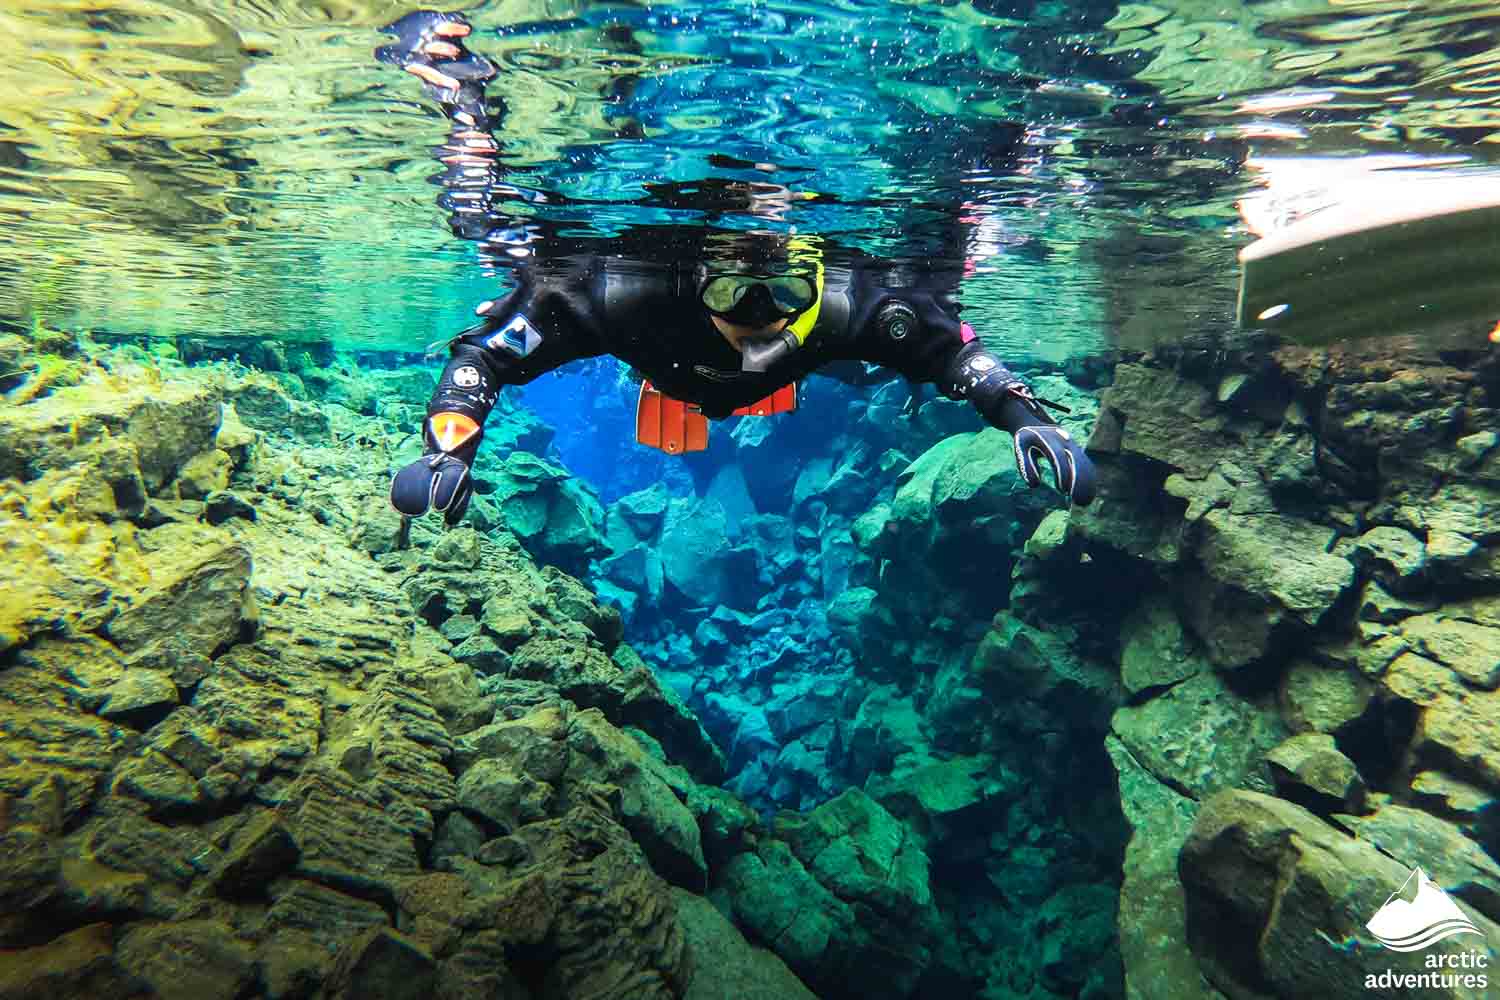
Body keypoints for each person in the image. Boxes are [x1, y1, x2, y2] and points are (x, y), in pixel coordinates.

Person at [376, 11, 1097, 526]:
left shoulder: (853, 308)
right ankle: (458, 97)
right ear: (691, 280)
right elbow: (484, 359)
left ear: (818, 275)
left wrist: (1027, 420)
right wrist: (448, 452)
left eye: (785, 286)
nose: (763, 311)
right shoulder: (624, 296)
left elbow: (956, 357)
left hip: (776, 361)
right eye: (734, 285)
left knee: (879, 348)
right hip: (664, 361)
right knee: (489, 212)